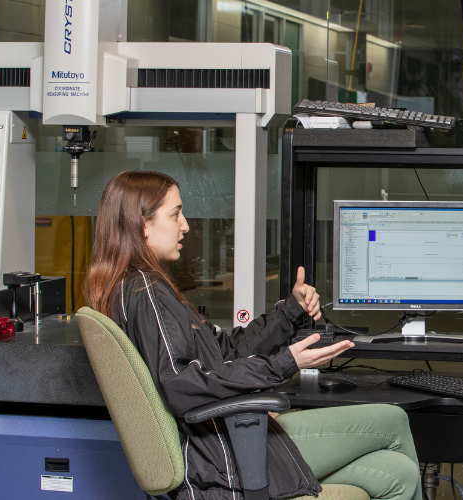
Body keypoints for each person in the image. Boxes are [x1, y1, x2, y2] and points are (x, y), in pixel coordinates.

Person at [85, 170, 422, 500]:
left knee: (399, 473)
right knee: (392, 418)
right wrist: (283, 364)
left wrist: (291, 310)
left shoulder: (137, 288)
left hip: (223, 444)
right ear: (144, 225)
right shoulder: (145, 290)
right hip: (220, 458)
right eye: (175, 214)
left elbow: (227, 350)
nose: (185, 225)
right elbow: (182, 384)